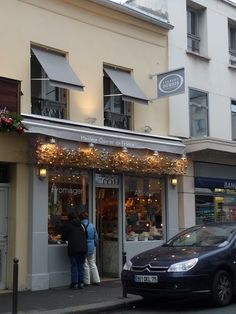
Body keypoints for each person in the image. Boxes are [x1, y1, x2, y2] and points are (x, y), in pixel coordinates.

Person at [61, 211, 87, 289]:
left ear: (69, 218)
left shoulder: (68, 225)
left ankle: (75, 283)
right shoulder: (82, 225)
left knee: (74, 265)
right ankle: (81, 282)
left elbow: (63, 237)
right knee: (81, 265)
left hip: (73, 248)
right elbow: (86, 236)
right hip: (83, 248)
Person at [79, 211, 101, 286]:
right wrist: (94, 245)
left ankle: (87, 281)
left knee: (85, 264)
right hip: (91, 246)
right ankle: (97, 280)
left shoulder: (81, 226)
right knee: (92, 263)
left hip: (83, 246)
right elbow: (96, 237)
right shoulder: (92, 225)